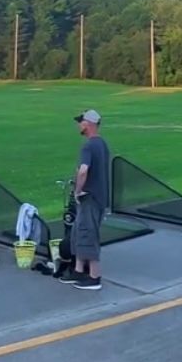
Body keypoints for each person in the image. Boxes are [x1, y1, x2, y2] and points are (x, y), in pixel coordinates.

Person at [62, 109, 110, 291]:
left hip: (89, 197)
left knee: (88, 235)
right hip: (98, 197)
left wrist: (77, 191)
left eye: (81, 122)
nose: (79, 125)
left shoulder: (88, 146)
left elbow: (83, 170)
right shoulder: (102, 144)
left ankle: (94, 277)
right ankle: (79, 271)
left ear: (88, 124)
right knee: (78, 234)